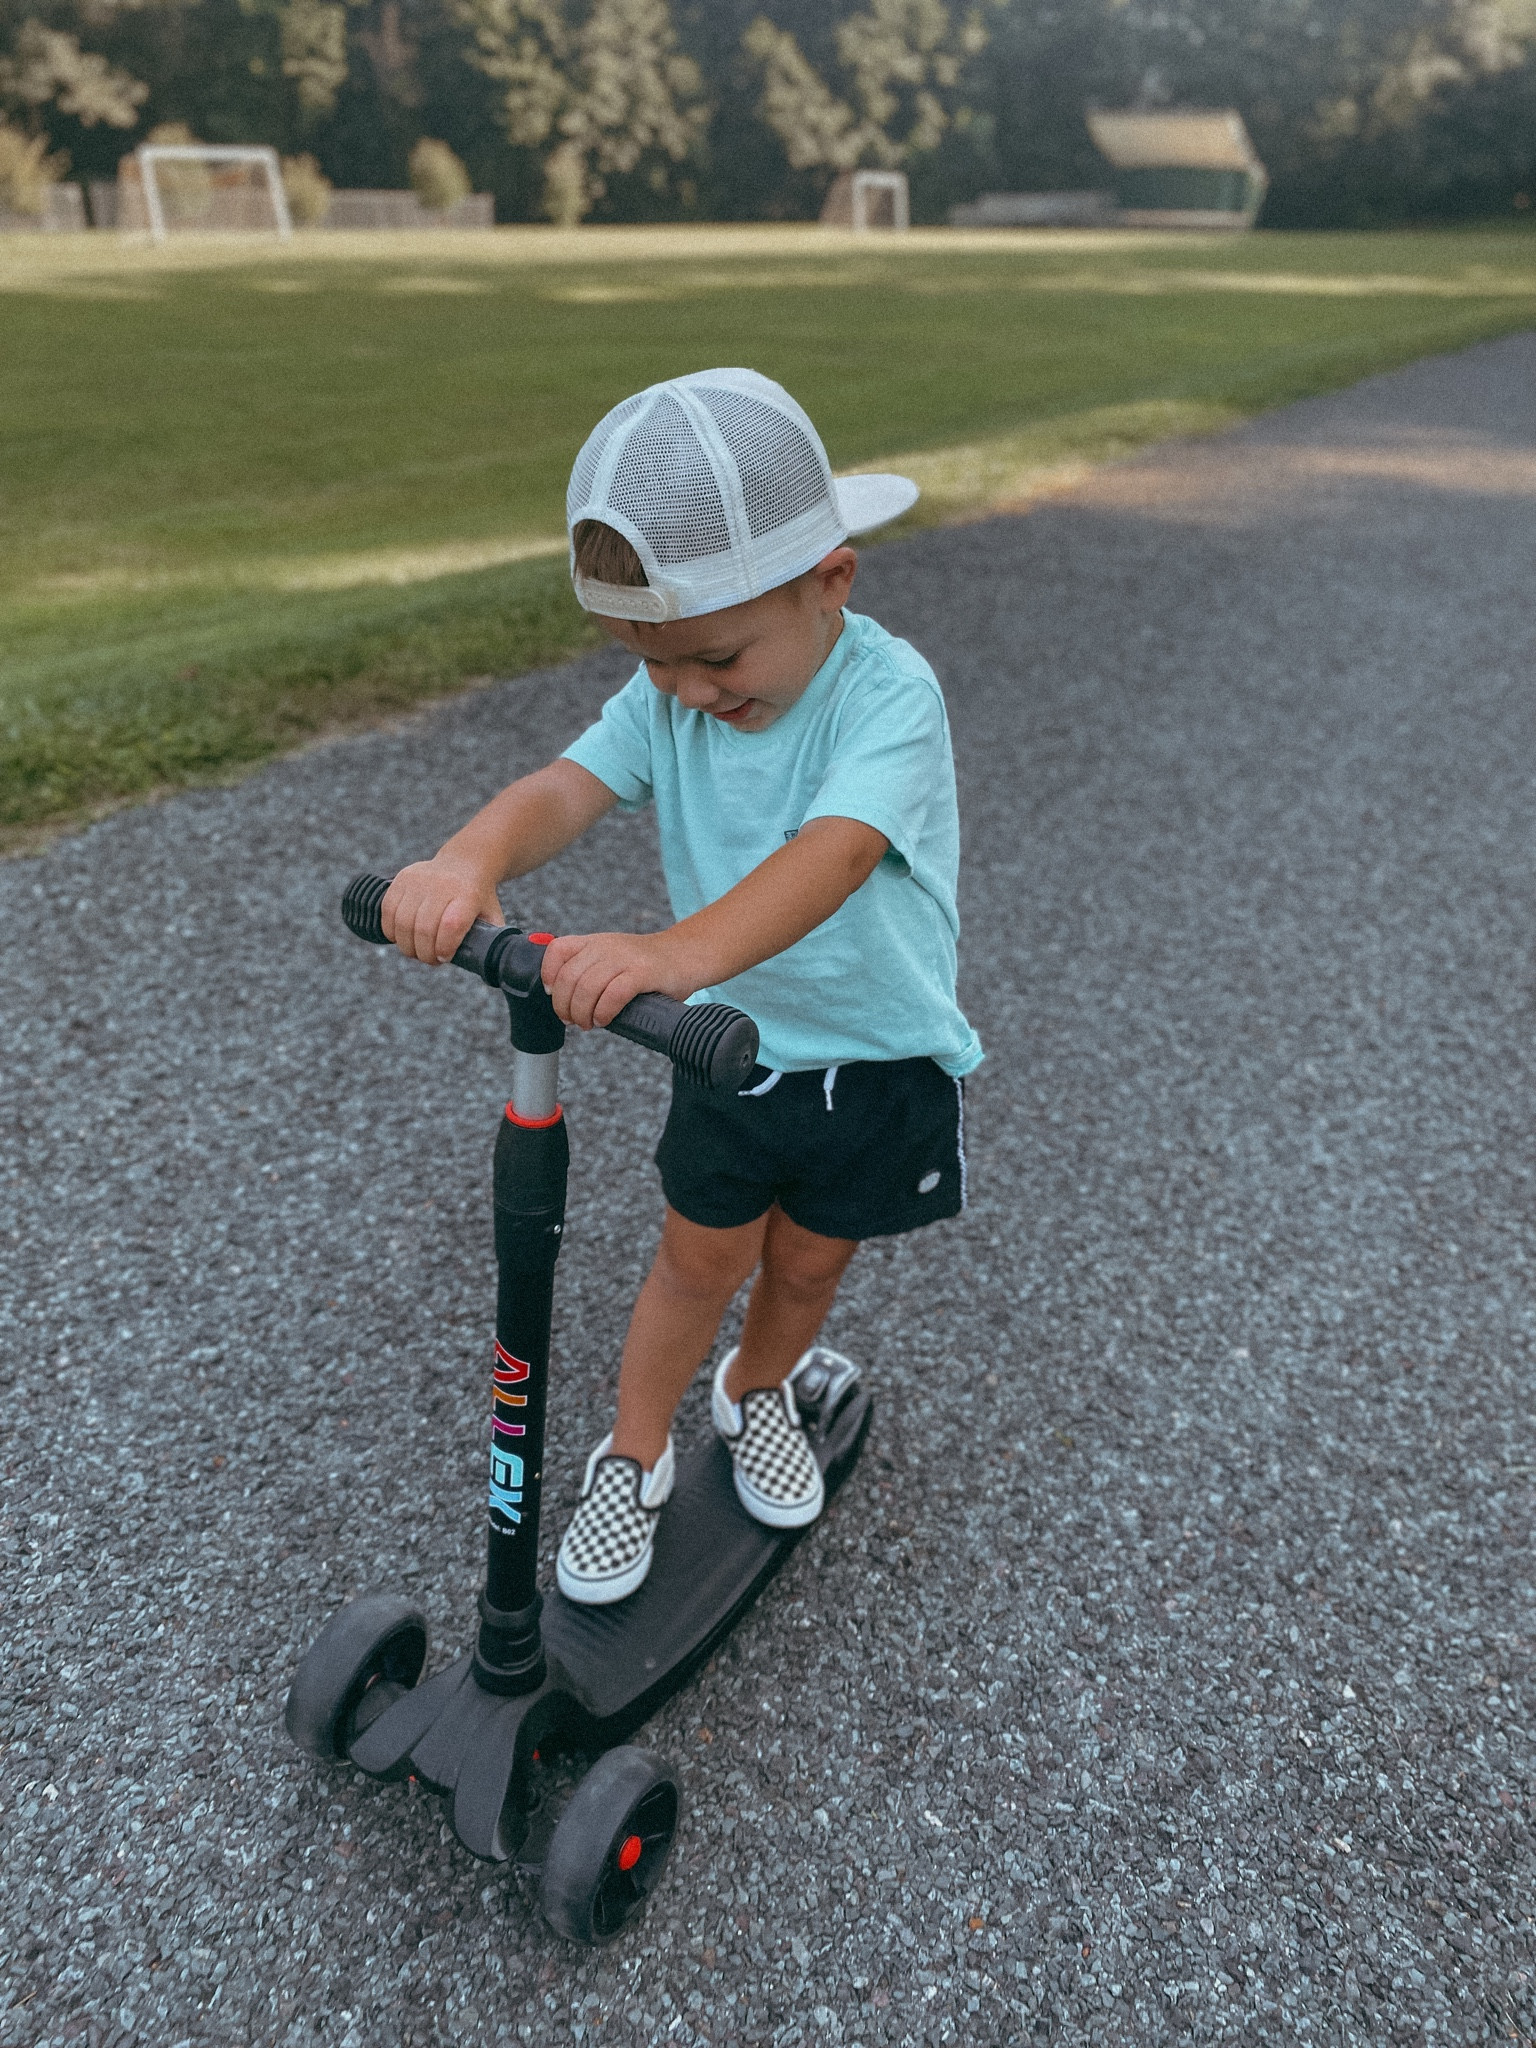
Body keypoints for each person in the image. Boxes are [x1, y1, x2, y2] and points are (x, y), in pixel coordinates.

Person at [381, 367, 982, 1605]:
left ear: (832, 582)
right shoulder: (675, 696)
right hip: (734, 1054)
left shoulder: (888, 697)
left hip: (876, 1054)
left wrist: (670, 955)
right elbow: (566, 784)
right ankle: (636, 1454)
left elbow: (839, 851)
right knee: (696, 1262)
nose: (685, 692)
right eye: (647, 661)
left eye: (710, 656)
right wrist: (467, 856)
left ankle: (757, 1391)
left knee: (810, 1264)